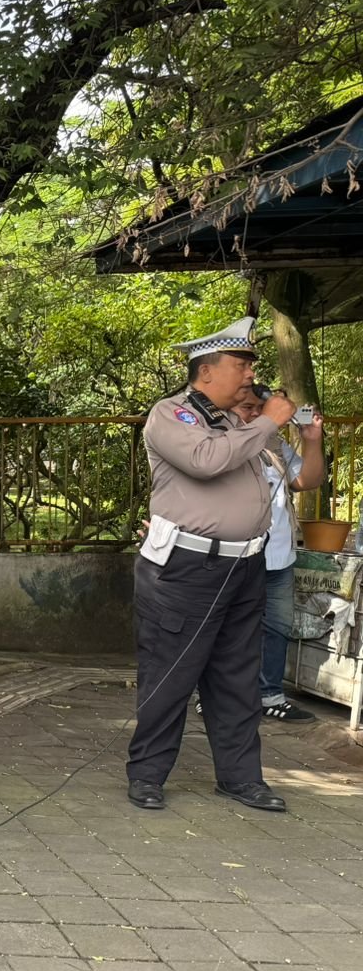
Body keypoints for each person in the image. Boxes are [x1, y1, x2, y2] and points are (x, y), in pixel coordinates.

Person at [128, 316, 296, 814]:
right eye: (240, 364)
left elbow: (287, 477)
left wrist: (270, 427)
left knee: (237, 677)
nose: (250, 374)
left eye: (251, 365)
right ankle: (148, 775)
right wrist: (268, 422)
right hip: (186, 569)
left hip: (246, 567)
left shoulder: (239, 424)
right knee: (171, 674)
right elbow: (205, 461)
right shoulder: (171, 415)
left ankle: (240, 778)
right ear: (206, 370)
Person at [230, 390, 325, 723]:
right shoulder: (223, 442)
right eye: (248, 409)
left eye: (262, 408)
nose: (258, 415)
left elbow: (308, 480)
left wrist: (311, 440)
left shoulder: (275, 445)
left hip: (278, 556)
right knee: (230, 628)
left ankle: (270, 694)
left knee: (278, 627)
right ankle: (216, 694)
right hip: (235, 555)